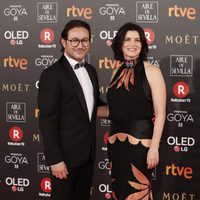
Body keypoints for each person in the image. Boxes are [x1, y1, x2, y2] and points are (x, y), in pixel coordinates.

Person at [38, 20, 106, 200]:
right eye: (75, 40)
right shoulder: (52, 74)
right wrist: (54, 159)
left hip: (88, 155)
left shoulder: (91, 71)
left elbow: (94, 107)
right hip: (64, 159)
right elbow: (47, 120)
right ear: (63, 42)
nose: (80, 45)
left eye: (85, 40)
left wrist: (138, 110)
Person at [106, 23, 166, 199]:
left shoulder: (153, 71)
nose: (133, 44)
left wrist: (154, 148)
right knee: (119, 190)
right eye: (128, 39)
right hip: (115, 143)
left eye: (137, 40)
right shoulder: (116, 71)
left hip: (141, 144)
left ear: (143, 44)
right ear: (120, 44)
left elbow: (161, 113)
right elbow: (114, 109)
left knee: (138, 191)